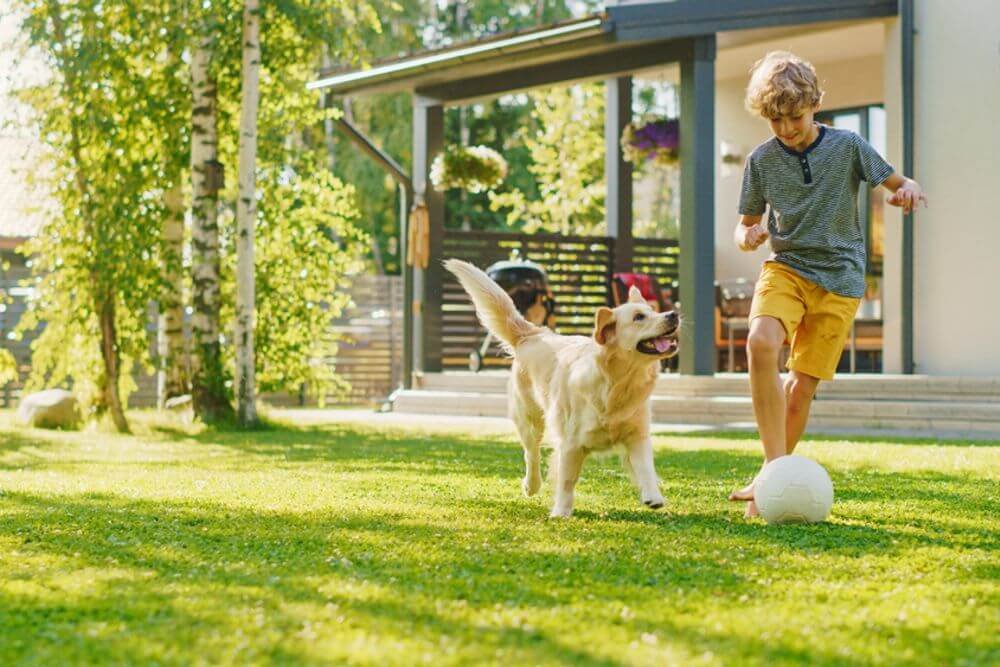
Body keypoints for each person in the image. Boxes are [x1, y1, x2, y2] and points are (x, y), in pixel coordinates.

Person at [729, 51, 927, 517]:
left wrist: (907, 192)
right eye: (774, 120)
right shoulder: (760, 160)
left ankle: (766, 480)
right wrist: (749, 235)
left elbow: (900, 181)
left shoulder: (849, 145)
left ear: (814, 104)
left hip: (840, 279)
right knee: (761, 342)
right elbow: (743, 228)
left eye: (794, 117)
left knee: (801, 387)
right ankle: (775, 473)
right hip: (788, 267)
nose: (786, 129)